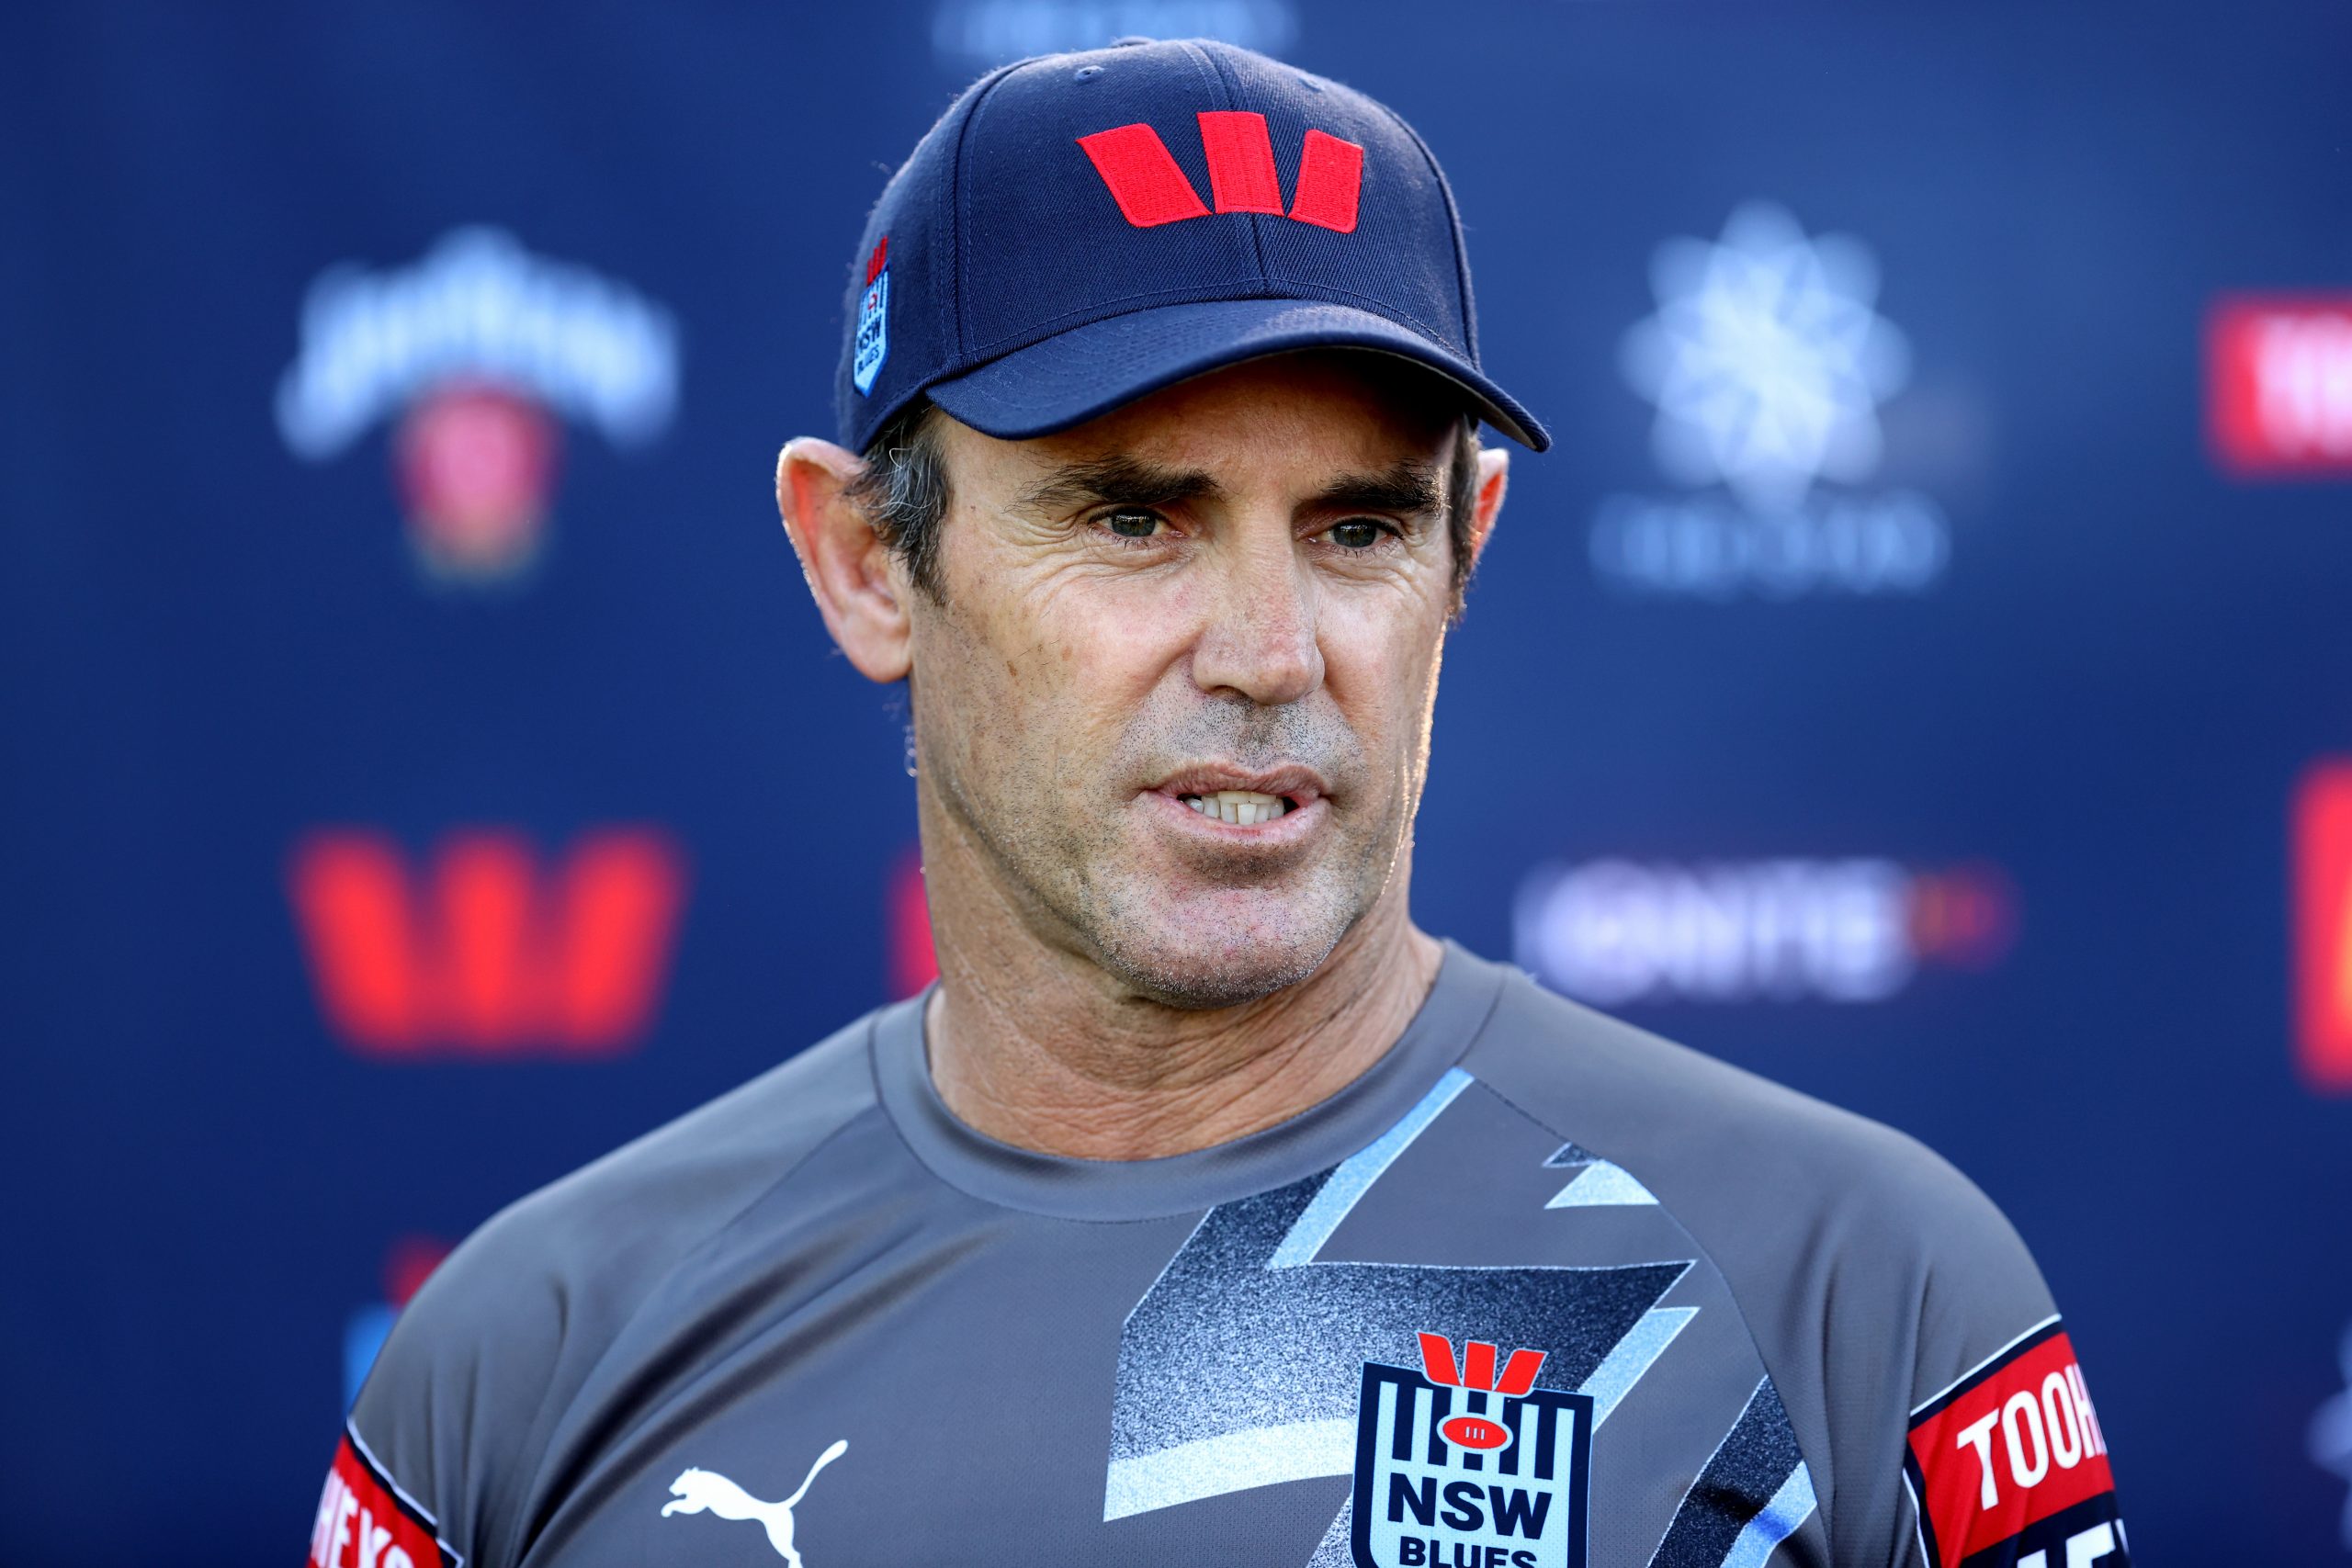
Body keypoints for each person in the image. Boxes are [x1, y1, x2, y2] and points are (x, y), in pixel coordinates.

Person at [304, 38, 2127, 1568]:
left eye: (1357, 526)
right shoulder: (524, 1368)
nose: (1268, 652)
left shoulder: (1852, 1297)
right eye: (1133, 516)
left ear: (1467, 548)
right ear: (864, 561)